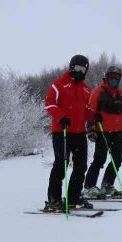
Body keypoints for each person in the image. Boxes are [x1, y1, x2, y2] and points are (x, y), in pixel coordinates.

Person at [42, 54, 94, 212]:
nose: (80, 72)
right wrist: (61, 116)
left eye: (83, 69)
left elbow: (85, 110)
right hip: (62, 131)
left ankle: (73, 197)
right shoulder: (59, 84)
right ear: (71, 67)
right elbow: (49, 104)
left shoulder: (85, 88)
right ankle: (54, 200)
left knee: (81, 166)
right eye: (77, 68)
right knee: (61, 165)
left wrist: (93, 115)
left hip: (79, 133)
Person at [84, 66, 122, 198]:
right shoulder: (98, 92)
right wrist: (91, 129)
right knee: (99, 159)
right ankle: (89, 186)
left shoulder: (121, 94)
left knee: (117, 160)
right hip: (102, 131)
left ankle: (107, 185)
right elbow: (90, 111)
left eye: (117, 77)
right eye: (112, 77)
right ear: (107, 77)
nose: (114, 79)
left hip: (117, 132)